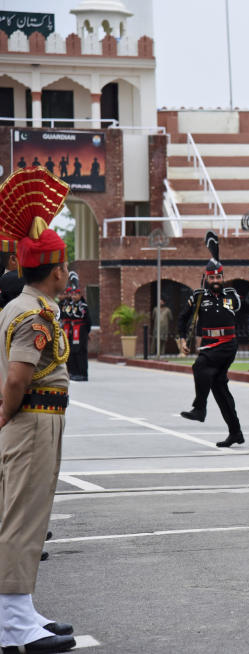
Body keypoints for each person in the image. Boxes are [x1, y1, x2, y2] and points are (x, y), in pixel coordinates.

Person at [0, 167, 77, 653]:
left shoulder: (28, 305)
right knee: (22, 519)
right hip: (31, 421)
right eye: (64, 267)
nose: (67, 275)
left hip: (36, 421)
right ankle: (12, 622)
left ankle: (22, 610)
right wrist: (7, 413)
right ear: (53, 270)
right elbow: (16, 377)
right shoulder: (32, 312)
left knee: (26, 516)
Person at [177, 231, 245, 448]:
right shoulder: (198, 297)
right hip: (207, 342)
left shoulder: (231, 294)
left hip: (227, 344)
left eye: (218, 277)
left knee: (200, 367)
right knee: (220, 389)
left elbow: (235, 308)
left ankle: (199, 408)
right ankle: (235, 432)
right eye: (212, 278)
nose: (215, 281)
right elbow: (183, 318)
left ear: (223, 278)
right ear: (207, 278)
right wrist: (181, 338)